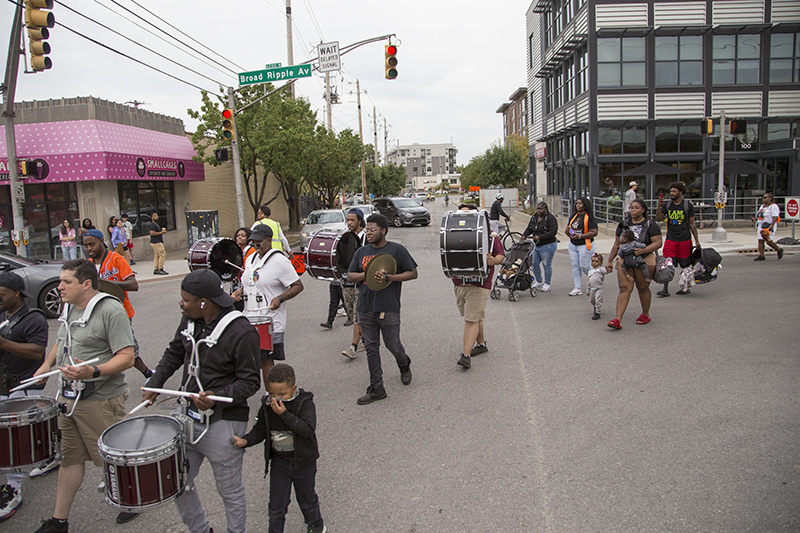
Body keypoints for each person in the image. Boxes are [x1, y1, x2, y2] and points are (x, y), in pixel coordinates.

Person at [142, 269, 261, 533]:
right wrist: (156, 382)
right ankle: (201, 529)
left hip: (223, 422)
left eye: (185, 299)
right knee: (177, 481)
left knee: (229, 492)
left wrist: (216, 400)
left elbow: (251, 382)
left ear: (204, 302)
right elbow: (175, 351)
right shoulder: (189, 319)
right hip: (186, 416)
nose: (180, 304)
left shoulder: (241, 332)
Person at [32, 259, 135, 533]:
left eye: (67, 282)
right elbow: (61, 340)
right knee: (70, 459)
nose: (60, 287)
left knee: (112, 461)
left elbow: (127, 357)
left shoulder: (110, 310)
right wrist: (46, 366)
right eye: (60, 280)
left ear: (86, 284)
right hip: (68, 399)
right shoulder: (68, 307)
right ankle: (59, 521)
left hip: (100, 399)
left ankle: (132, 499)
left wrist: (94, 371)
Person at [234, 364, 326, 533]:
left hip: (303, 463)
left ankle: (315, 525)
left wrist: (284, 414)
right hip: (280, 463)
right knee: (276, 505)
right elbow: (261, 429)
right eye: (272, 394)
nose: (276, 399)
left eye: (282, 394)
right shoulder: (268, 406)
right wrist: (245, 441)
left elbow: (307, 429)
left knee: (307, 499)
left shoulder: (304, 404)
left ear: (293, 389)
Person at [347, 213, 417, 405]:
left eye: (372, 230)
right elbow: (350, 275)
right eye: (367, 229)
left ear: (383, 231)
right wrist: (367, 274)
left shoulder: (397, 250)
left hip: (389, 307)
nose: (368, 233)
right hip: (365, 308)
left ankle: (404, 364)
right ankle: (377, 387)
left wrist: (390, 278)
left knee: (393, 345)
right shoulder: (361, 252)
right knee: (371, 347)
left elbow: (413, 273)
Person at [0, 272, 49, 520]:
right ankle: (53, 449)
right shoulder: (2, 315)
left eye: (1, 294)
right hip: (3, 384)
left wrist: (4, 344)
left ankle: (14, 489)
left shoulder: (34, 318)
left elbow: (37, 352)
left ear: (16, 293)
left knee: (14, 440)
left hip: (24, 386)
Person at [232, 224, 303, 385]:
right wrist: (240, 292)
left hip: (269, 319)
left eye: (259, 243)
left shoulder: (280, 261)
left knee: (265, 359)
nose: (256, 246)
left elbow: (298, 285)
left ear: (269, 240)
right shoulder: (250, 258)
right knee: (247, 358)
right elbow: (251, 281)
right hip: (248, 315)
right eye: (253, 243)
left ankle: (270, 395)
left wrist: (280, 298)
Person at [83, 228, 153, 385]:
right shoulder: (87, 265)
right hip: (96, 313)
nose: (89, 249)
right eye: (86, 245)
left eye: (92, 244)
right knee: (102, 348)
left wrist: (107, 284)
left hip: (119, 312)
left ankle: (148, 374)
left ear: (102, 241)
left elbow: (133, 285)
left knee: (127, 348)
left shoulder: (117, 259)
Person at [451, 205, 505, 370]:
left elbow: (501, 254)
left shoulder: (489, 235)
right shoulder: (452, 234)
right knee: (474, 316)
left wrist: (494, 261)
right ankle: (481, 344)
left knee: (471, 319)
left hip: (480, 283)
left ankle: (466, 355)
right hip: (459, 283)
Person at [605, 199, 663, 330]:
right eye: (632, 208)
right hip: (625, 260)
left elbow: (658, 242)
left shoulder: (650, 224)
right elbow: (616, 244)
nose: (633, 210)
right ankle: (618, 319)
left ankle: (645, 314)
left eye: (637, 208)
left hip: (644, 258)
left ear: (643, 209)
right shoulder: (623, 224)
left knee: (642, 287)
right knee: (624, 288)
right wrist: (609, 261)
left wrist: (644, 250)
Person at [656, 181, 701, 296]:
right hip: (671, 238)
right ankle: (665, 289)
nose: (671, 193)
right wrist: (659, 205)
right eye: (671, 191)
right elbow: (659, 218)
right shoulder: (668, 205)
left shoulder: (687, 205)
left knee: (685, 265)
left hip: (684, 239)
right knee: (667, 263)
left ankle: (685, 287)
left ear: (681, 192)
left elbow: (692, 223)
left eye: (674, 191)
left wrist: (697, 241)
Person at [341, 208, 366, 359]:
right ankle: (366, 337)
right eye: (348, 220)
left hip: (362, 284)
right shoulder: (345, 238)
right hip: (347, 283)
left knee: (358, 316)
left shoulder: (366, 238)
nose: (349, 223)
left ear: (360, 221)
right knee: (352, 315)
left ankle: (353, 347)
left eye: (352, 220)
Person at [521, 201, 558, 292]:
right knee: (534, 263)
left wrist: (540, 237)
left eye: (541, 209)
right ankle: (539, 281)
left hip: (547, 245)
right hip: (536, 245)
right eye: (537, 209)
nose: (539, 211)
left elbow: (553, 232)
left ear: (546, 209)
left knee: (546, 264)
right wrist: (524, 235)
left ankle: (547, 283)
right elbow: (529, 228)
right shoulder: (534, 217)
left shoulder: (550, 218)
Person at [565, 197, 598, 296]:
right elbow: (569, 231)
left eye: (580, 203)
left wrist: (580, 236)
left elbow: (594, 232)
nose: (578, 205)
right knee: (575, 266)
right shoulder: (573, 217)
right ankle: (577, 287)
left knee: (584, 266)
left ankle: (596, 278)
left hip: (585, 244)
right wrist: (568, 231)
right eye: (577, 203)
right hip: (573, 245)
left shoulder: (589, 218)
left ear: (585, 205)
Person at [751, 192, 784, 261]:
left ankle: (779, 249)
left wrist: (772, 225)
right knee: (760, 241)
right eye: (763, 197)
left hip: (768, 226)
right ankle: (761, 255)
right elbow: (760, 215)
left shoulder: (773, 206)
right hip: (761, 225)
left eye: (765, 197)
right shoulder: (762, 206)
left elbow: (775, 216)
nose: (763, 199)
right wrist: (755, 219)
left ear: (770, 198)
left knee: (768, 241)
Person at [586, 253, 605, 320]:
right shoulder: (590, 271)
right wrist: (588, 290)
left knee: (598, 300)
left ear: (601, 263)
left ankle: (597, 313)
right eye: (593, 261)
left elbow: (606, 271)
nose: (594, 263)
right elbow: (589, 281)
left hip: (599, 288)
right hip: (592, 289)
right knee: (591, 300)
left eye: (596, 261)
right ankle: (595, 307)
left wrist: (609, 267)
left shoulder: (601, 270)